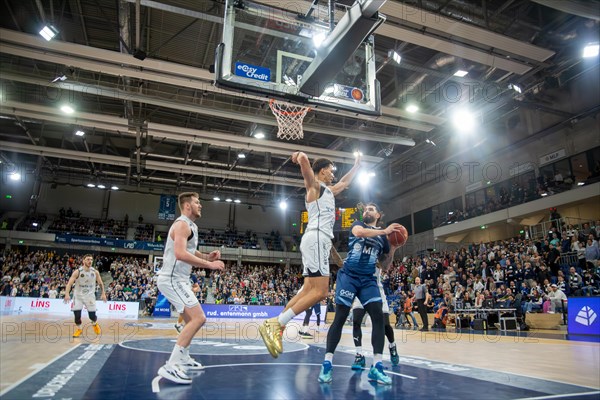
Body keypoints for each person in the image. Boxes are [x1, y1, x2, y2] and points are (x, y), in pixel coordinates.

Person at [259, 151, 361, 357]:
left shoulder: (328, 190)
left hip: (316, 240)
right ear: (323, 170)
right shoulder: (315, 186)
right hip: (316, 238)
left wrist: (357, 164)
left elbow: (343, 182)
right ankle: (276, 324)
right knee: (321, 292)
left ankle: (277, 328)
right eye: (331, 170)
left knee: (307, 291)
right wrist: (301, 157)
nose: (333, 174)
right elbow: (306, 170)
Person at [318, 203, 403, 385]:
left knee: (379, 318)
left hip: (368, 280)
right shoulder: (359, 225)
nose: (366, 211)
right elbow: (359, 234)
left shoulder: (384, 240)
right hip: (349, 276)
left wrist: (393, 247)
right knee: (340, 317)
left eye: (371, 209)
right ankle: (327, 363)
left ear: (378, 215)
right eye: (365, 209)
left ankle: (377, 366)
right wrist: (384, 231)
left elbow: (386, 266)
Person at [156, 192, 225, 384]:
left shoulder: (191, 226)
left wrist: (206, 257)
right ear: (187, 206)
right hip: (172, 279)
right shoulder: (181, 224)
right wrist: (210, 266)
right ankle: (171, 365)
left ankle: (184, 358)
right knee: (199, 318)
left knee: (190, 321)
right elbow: (179, 253)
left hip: (179, 279)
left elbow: (187, 249)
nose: (200, 205)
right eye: (197, 202)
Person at [350, 264, 399, 370]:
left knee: (385, 325)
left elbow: (384, 265)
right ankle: (359, 355)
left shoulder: (377, 250)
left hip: (376, 290)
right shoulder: (356, 251)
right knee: (356, 322)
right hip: (360, 290)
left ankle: (392, 345)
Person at [64, 254, 107, 338]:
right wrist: (67, 294)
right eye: (88, 259)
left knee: (92, 316)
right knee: (77, 316)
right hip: (78, 296)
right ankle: (79, 329)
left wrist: (103, 293)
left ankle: (94, 324)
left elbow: (100, 283)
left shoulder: (95, 272)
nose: (90, 261)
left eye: (91, 259)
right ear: (83, 261)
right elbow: (69, 283)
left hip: (90, 296)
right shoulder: (78, 272)